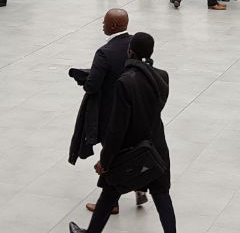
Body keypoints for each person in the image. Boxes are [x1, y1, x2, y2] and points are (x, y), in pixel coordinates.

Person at [70, 32, 176, 233]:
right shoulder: (162, 76)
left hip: (130, 151)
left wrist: (105, 161)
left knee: (109, 193)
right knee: (162, 196)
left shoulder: (125, 82)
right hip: (157, 147)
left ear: (130, 52)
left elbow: (117, 128)